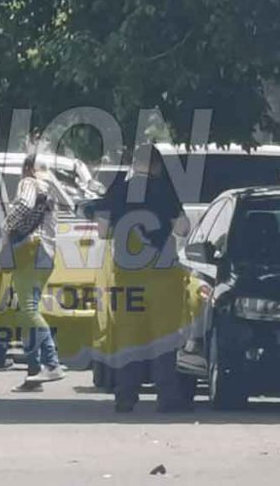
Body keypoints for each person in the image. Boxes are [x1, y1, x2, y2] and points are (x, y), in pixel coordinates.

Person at [94, 144, 191, 412]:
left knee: (129, 337)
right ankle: (167, 397)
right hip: (163, 277)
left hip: (127, 278)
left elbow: (102, 232)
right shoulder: (165, 190)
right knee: (163, 337)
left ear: (133, 164)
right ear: (158, 166)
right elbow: (183, 228)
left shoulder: (116, 191)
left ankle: (125, 396)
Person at [7, 154, 64, 392]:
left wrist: (5, 225)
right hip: (47, 254)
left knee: (28, 309)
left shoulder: (30, 182)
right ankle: (34, 373)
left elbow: (23, 205)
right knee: (26, 312)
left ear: (28, 168)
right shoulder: (52, 188)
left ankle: (51, 362)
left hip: (29, 251)